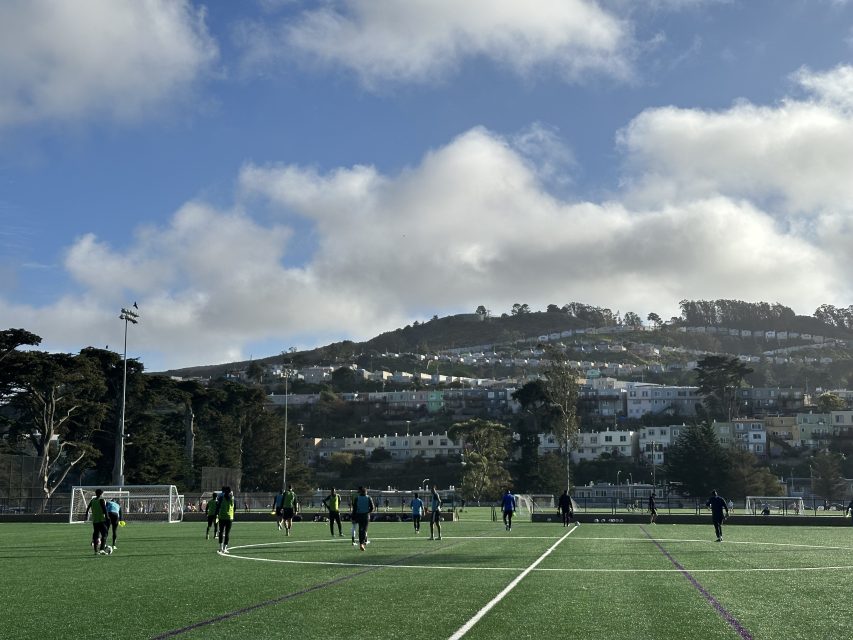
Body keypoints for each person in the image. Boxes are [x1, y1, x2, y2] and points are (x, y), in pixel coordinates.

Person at [84, 489, 109, 555]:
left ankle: (95, 551)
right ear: (101, 494)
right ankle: (102, 549)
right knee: (105, 534)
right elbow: (105, 510)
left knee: (96, 535)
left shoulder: (92, 500)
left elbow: (88, 508)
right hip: (102, 520)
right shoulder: (101, 500)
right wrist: (107, 518)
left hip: (95, 521)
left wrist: (86, 515)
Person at [353, 486, 375, 551]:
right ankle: (363, 543)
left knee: (360, 529)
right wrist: (368, 512)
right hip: (366, 516)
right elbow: (372, 508)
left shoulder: (357, 498)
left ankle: (361, 543)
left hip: (359, 515)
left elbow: (354, 509)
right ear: (365, 492)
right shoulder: (368, 498)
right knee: (364, 530)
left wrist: (353, 517)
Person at [217, 486, 235, 554]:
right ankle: (225, 548)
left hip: (222, 516)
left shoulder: (221, 497)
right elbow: (234, 507)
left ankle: (220, 547)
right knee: (227, 533)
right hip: (229, 517)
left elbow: (218, 505)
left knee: (221, 532)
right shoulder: (232, 498)